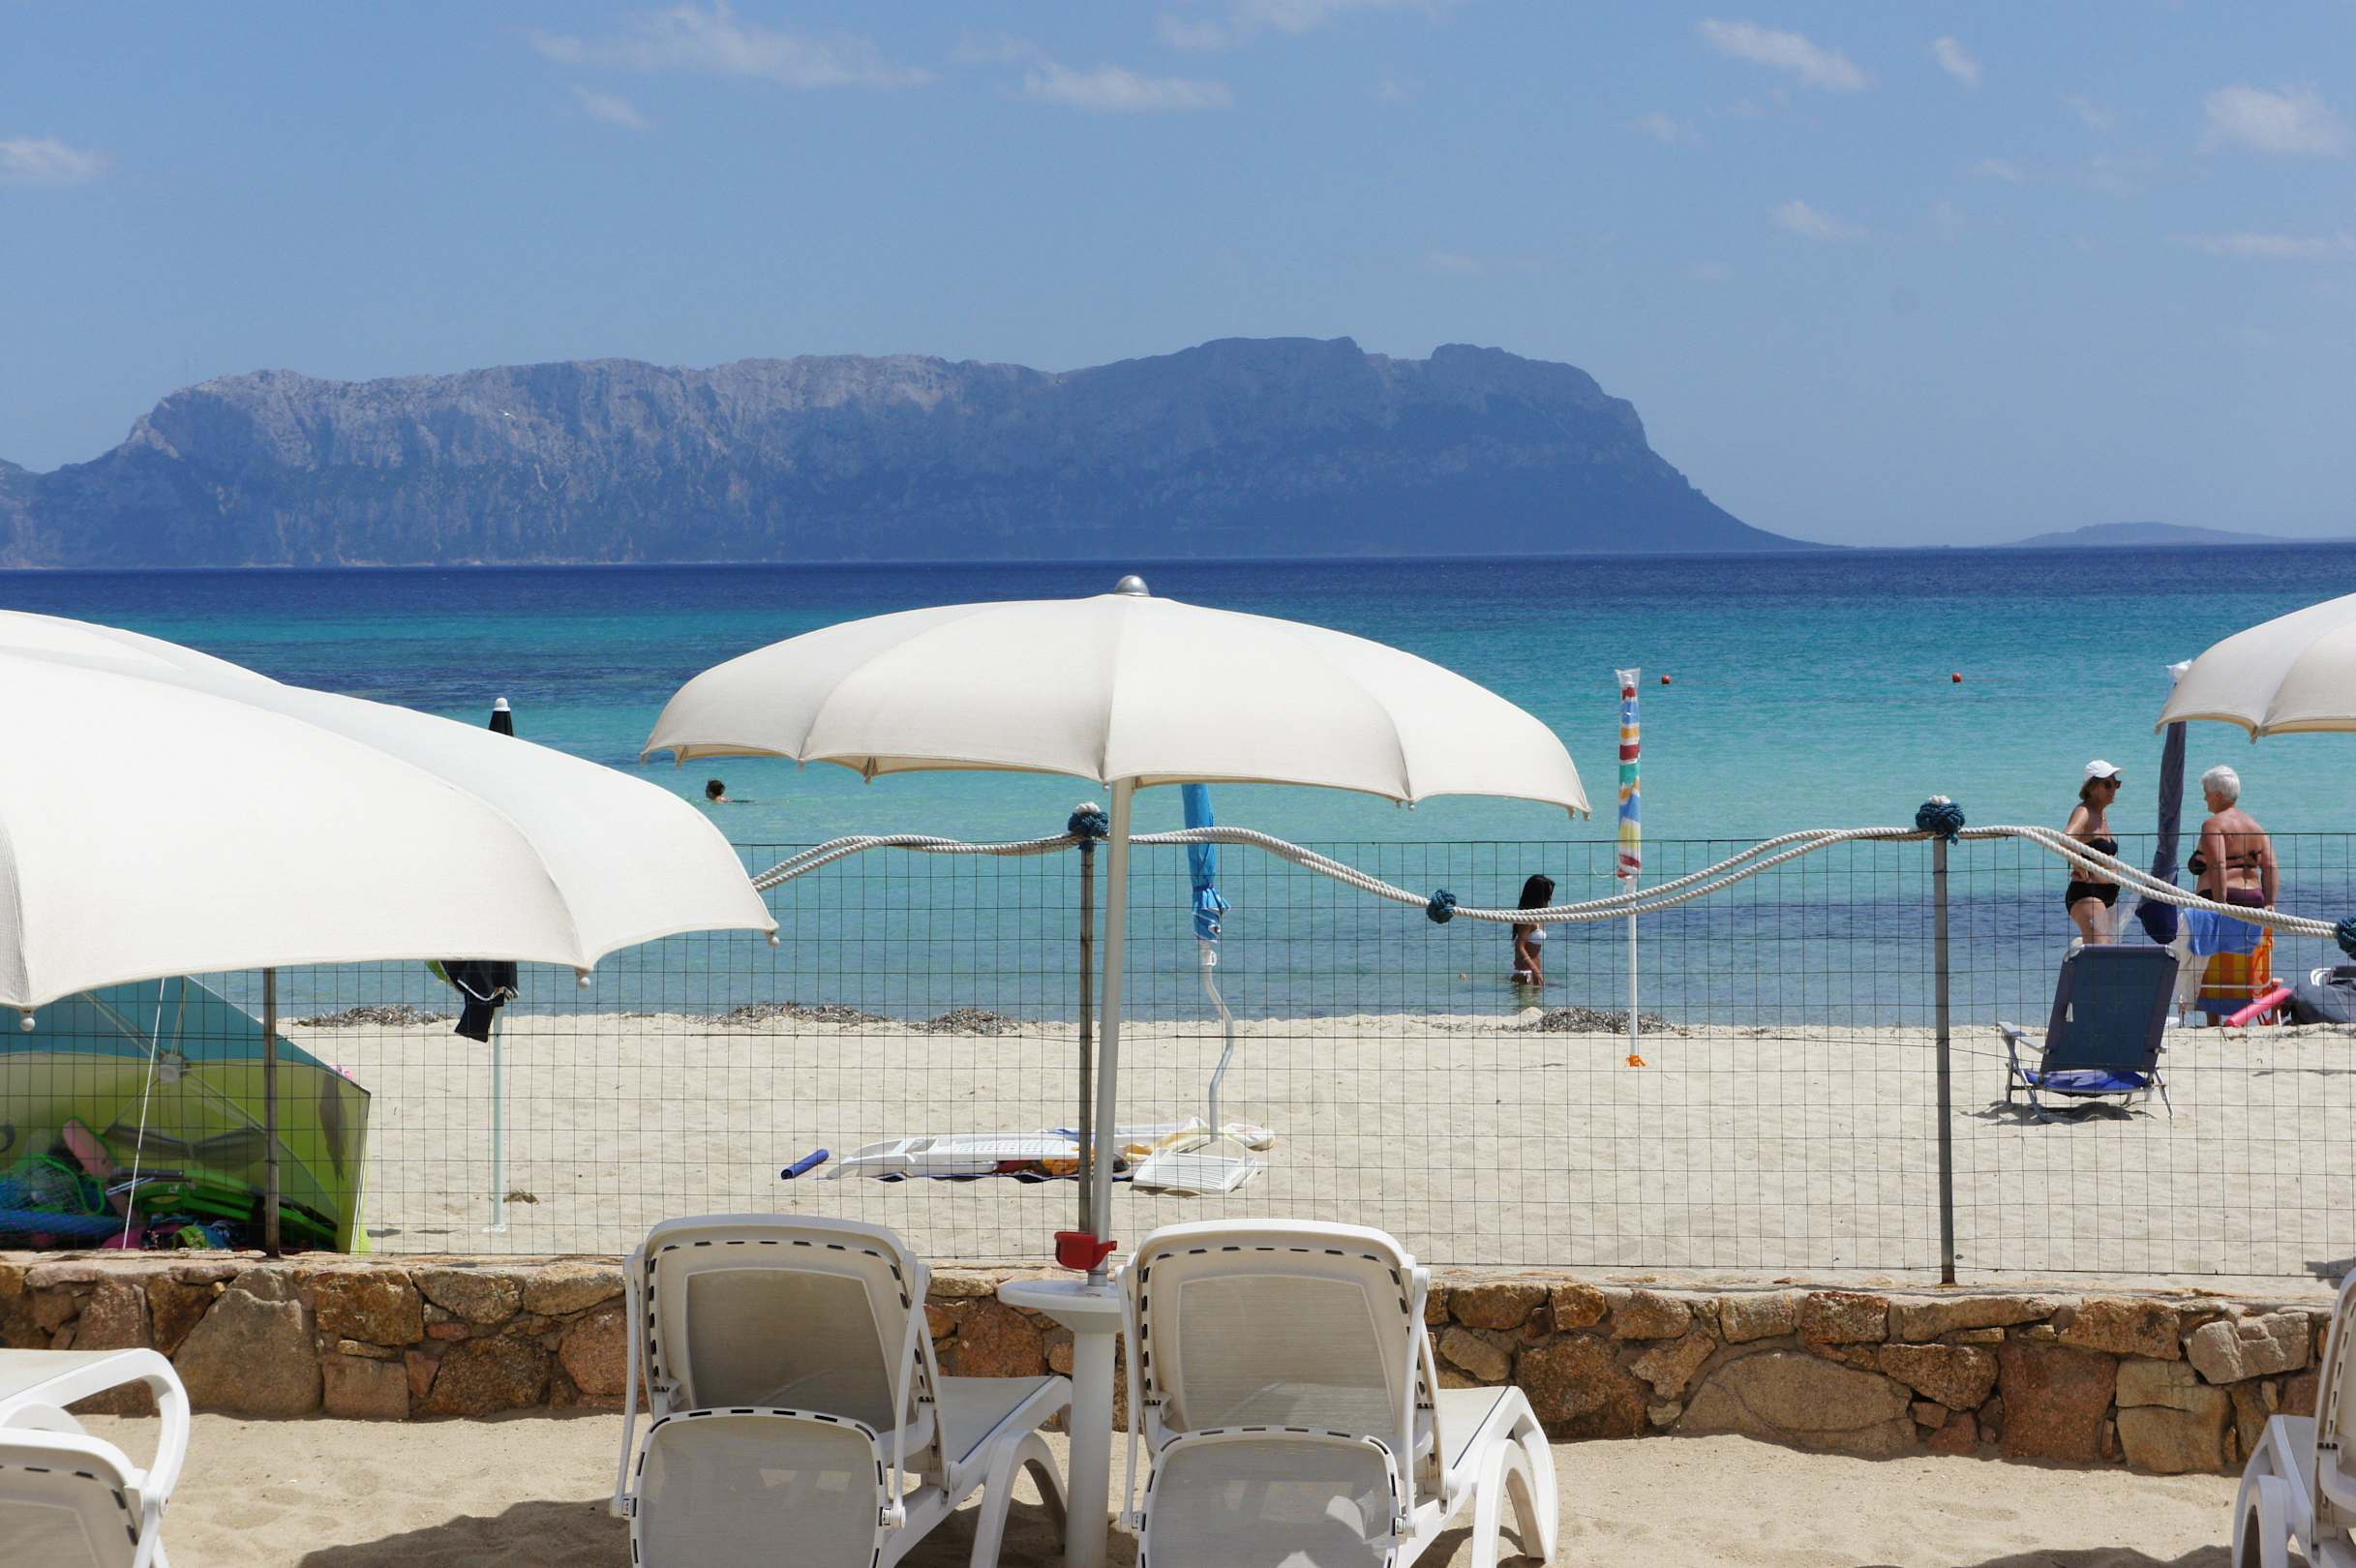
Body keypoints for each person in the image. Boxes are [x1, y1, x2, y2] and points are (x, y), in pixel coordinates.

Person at [2192, 765, 2276, 911]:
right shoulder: (2256, 827)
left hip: (2221, 896)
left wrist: (2220, 902)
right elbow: (2270, 866)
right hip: (2255, 897)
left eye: (2206, 793)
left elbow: (2217, 864)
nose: (2205, 798)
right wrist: (2270, 903)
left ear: (2217, 795)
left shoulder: (2212, 825)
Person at [2064, 760, 2126, 945]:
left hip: (2107, 895)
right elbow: (2066, 838)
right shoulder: (2084, 812)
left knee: (2106, 949)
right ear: (2091, 787)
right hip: (2087, 893)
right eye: (2107, 784)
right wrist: (2078, 864)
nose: (2113, 789)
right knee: (2101, 950)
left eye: (2116, 784)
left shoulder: (2101, 814)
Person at [1510, 874, 1554, 986]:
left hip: (1535, 974)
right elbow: (1519, 946)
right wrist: (1535, 970)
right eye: (1547, 895)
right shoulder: (1528, 918)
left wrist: (1537, 972)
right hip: (1525, 974)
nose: (1550, 899)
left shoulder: (1540, 916)